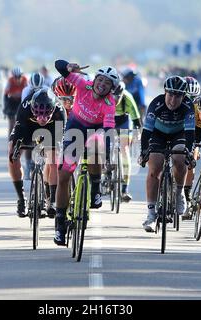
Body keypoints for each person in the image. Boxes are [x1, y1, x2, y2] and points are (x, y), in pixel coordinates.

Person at [53, 60, 119, 246]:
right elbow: (58, 66)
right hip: (74, 128)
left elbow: (108, 130)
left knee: (96, 145)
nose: (102, 84)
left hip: (94, 132)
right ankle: (59, 224)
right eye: (100, 80)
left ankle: (96, 188)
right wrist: (69, 67)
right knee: (64, 175)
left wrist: (106, 154)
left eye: (107, 83)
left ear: (111, 88)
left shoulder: (109, 103)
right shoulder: (83, 84)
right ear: (95, 79)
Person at [139, 76, 195, 233]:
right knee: (154, 168)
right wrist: (144, 151)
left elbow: (190, 133)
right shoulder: (156, 104)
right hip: (158, 134)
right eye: (170, 95)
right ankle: (151, 214)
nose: (173, 100)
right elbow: (147, 131)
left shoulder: (188, 105)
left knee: (180, 158)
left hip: (179, 134)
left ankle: (179, 193)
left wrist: (189, 152)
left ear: (184, 96)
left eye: (178, 96)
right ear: (165, 92)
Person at [8, 88, 66, 218]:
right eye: (39, 113)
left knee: (54, 159)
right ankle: (21, 199)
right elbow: (18, 132)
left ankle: (52, 201)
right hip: (27, 126)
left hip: (52, 129)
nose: (42, 118)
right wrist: (16, 151)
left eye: (46, 114)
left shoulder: (59, 110)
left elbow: (60, 138)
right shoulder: (25, 106)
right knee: (12, 155)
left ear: (52, 109)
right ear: (33, 108)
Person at [112, 81, 142, 202]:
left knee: (124, 150)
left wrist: (138, 133)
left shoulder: (127, 98)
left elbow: (136, 119)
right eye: (112, 96)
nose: (115, 100)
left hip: (123, 121)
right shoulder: (105, 98)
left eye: (117, 97)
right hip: (108, 119)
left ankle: (124, 188)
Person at [3, 66, 28, 135]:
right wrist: (5, 108)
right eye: (15, 77)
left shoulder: (25, 80)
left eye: (19, 77)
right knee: (12, 122)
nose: (17, 79)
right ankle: (10, 138)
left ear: (22, 76)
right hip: (12, 101)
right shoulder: (10, 81)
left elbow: (28, 93)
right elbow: (5, 95)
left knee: (23, 120)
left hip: (21, 100)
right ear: (13, 77)